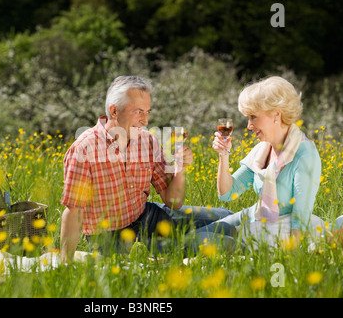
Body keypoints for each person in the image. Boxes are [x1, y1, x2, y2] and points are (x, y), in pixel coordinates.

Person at [60, 76, 232, 263]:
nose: (145, 120)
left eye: (148, 111)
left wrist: (180, 168)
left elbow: (173, 201)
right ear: (114, 111)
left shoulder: (147, 141)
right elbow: (73, 212)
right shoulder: (84, 149)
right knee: (220, 240)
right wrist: (64, 264)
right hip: (111, 237)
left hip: (147, 215)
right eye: (139, 112)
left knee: (226, 216)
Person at [203, 76, 322, 246]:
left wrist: (292, 258)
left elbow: (300, 217)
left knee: (210, 244)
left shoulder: (305, 155)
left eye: (253, 117)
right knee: (195, 237)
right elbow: (227, 193)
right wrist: (224, 154)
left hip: (275, 231)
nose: (249, 126)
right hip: (253, 218)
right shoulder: (262, 150)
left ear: (276, 114)